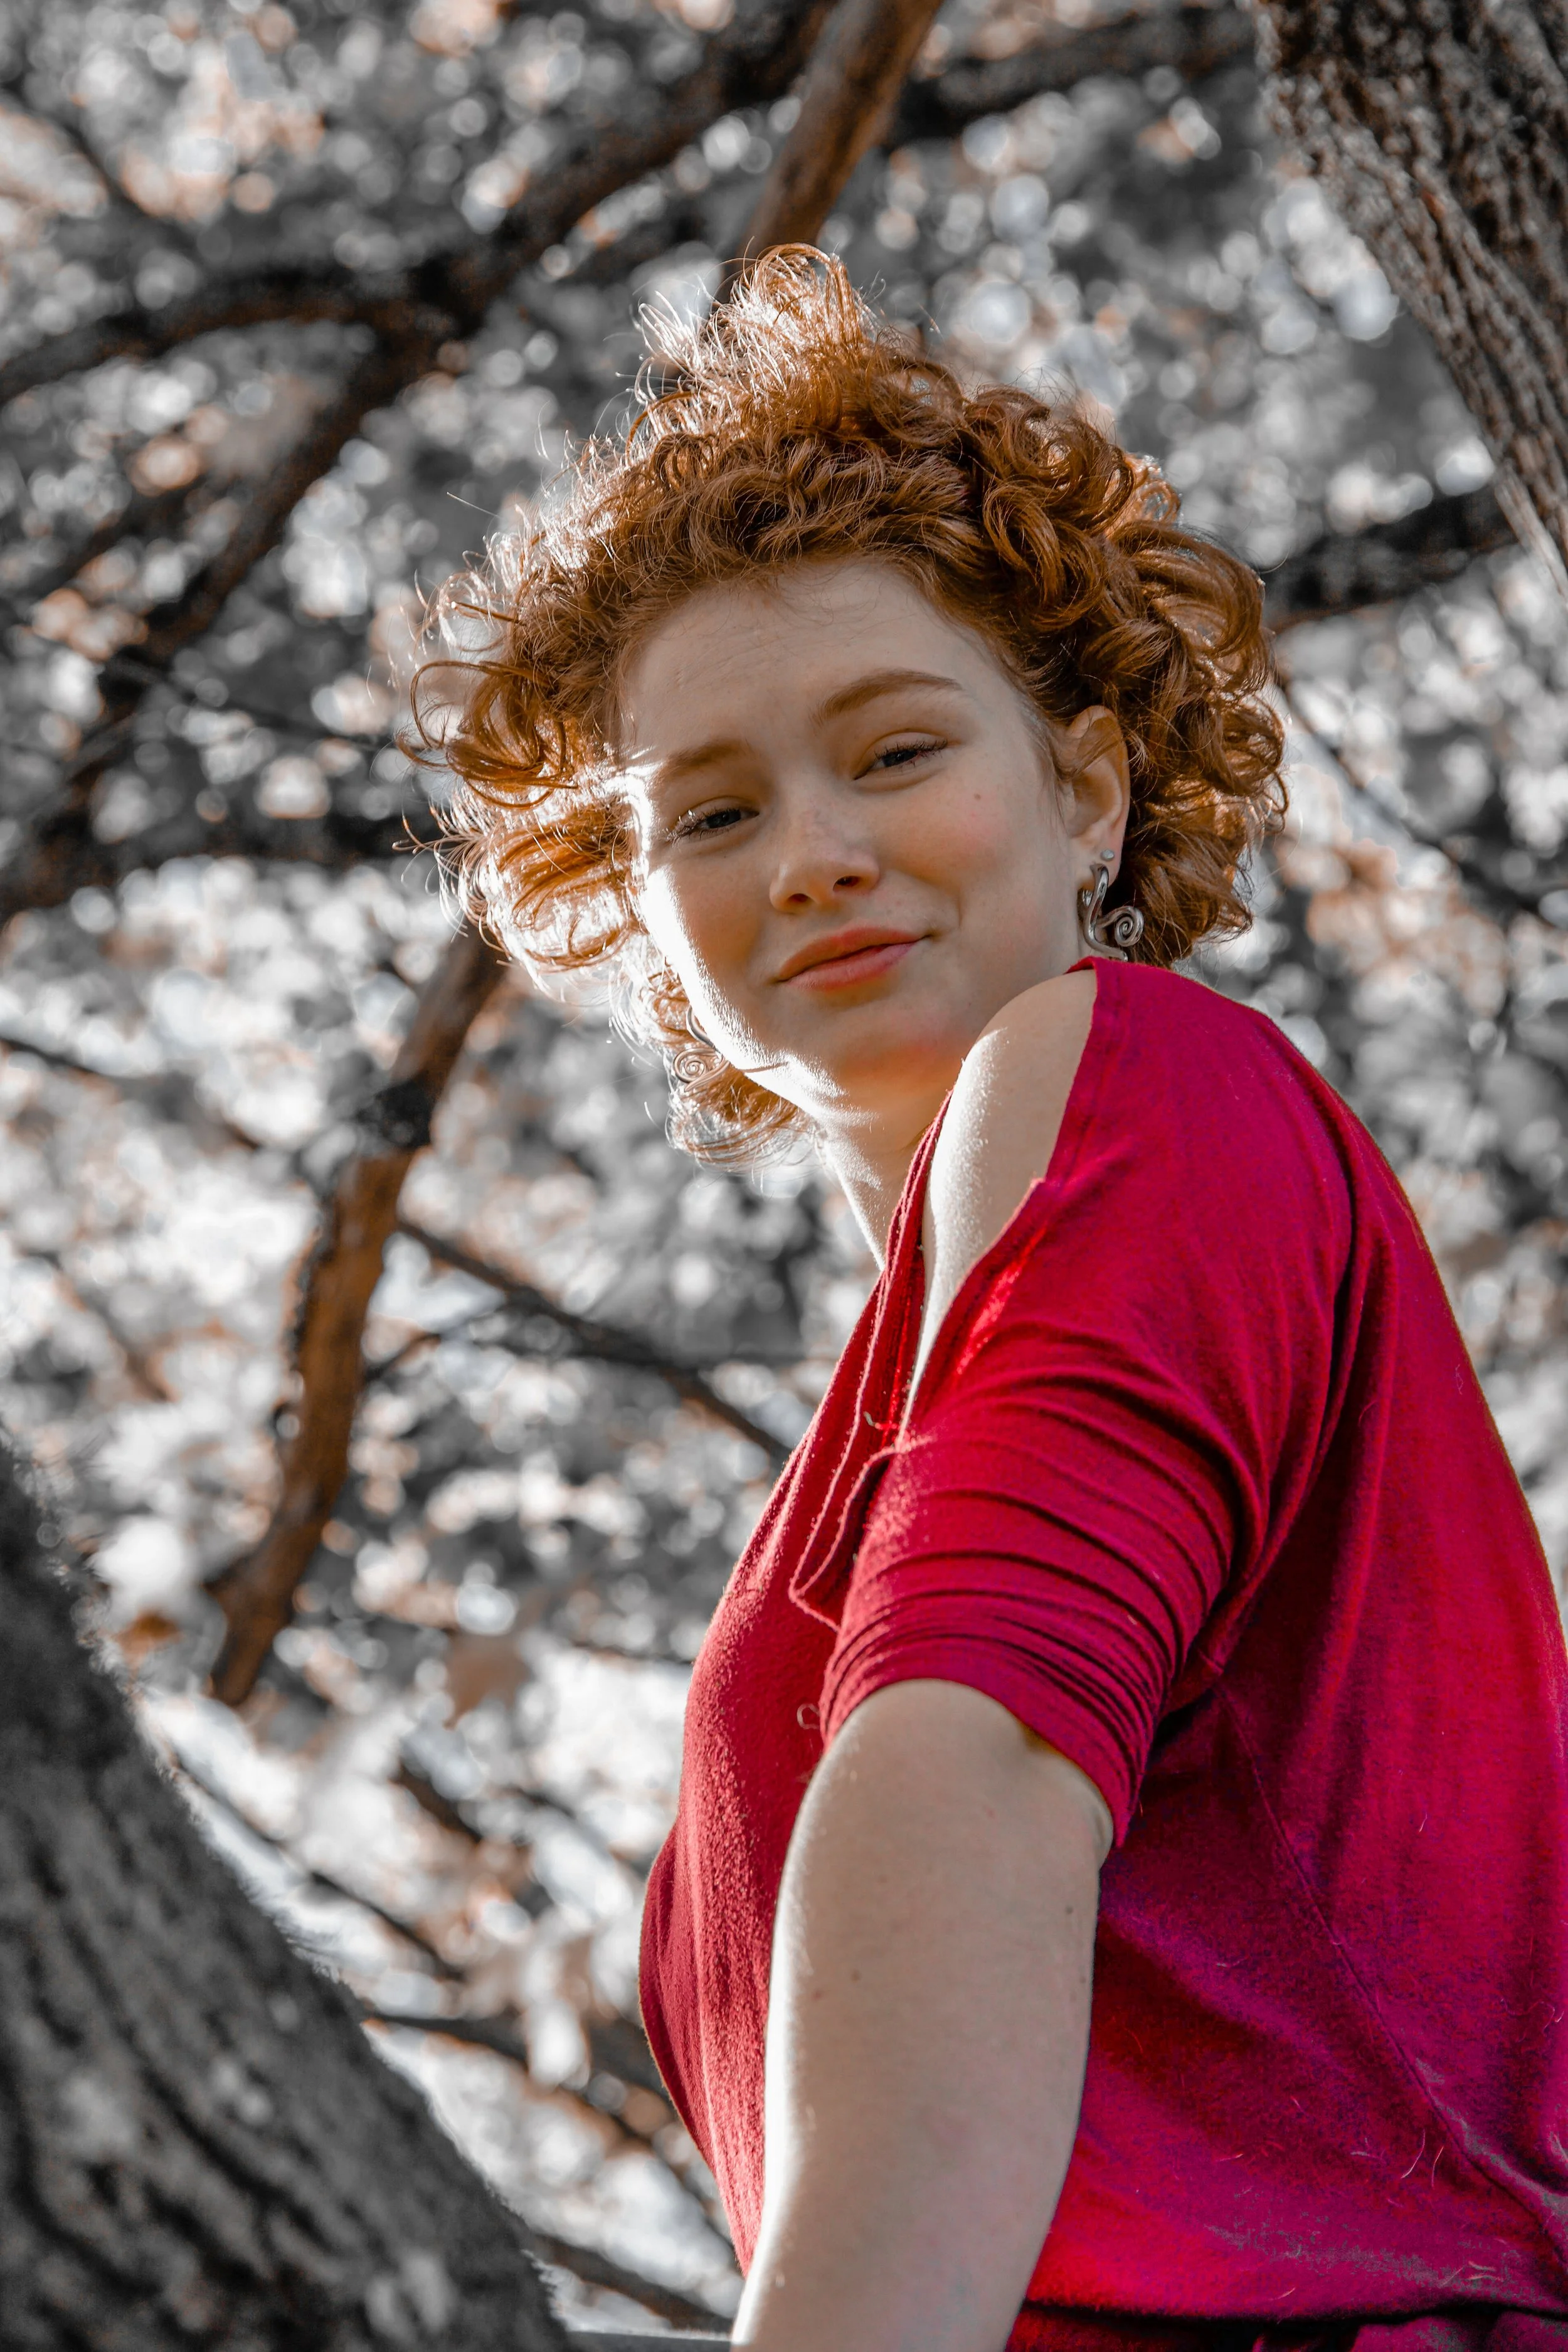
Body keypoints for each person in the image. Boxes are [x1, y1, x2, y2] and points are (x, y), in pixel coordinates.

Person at [425, 252, 1568, 2351]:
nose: (813, 851)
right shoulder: (826, 1508)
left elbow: (988, 1752)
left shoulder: (1130, 1066)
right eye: (712, 810)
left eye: (893, 749)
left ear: (1090, 790)